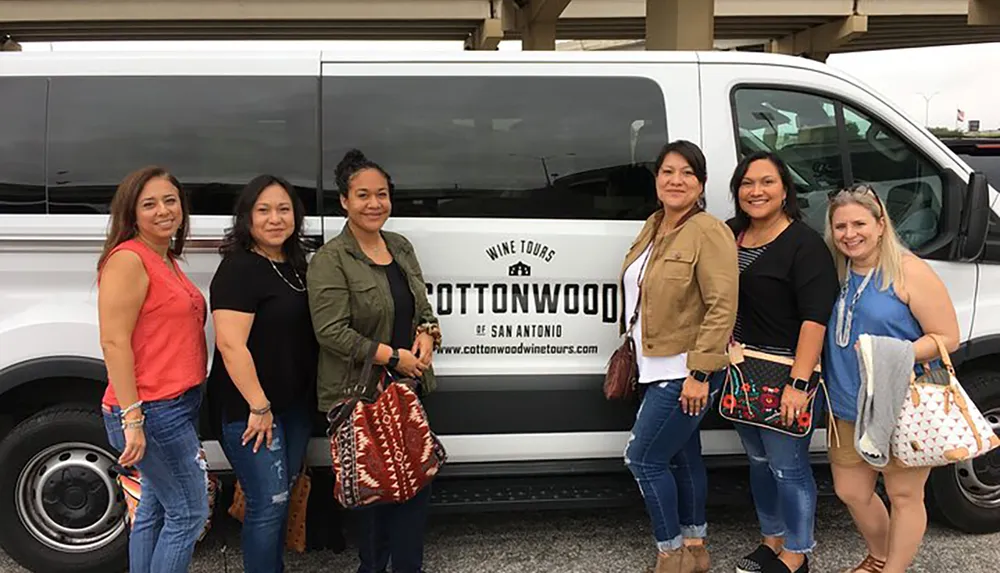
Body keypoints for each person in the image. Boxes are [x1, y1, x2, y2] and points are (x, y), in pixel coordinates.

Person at [307, 149, 441, 573]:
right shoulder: (331, 260)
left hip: (407, 393)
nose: (374, 204)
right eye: (362, 195)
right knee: (374, 497)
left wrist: (428, 334)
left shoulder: (400, 247)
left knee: (414, 491)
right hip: (359, 397)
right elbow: (330, 332)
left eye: (381, 194)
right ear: (344, 201)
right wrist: (392, 357)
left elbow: (422, 307)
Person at [822, 183, 960, 573]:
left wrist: (889, 353)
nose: (850, 234)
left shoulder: (908, 270)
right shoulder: (839, 270)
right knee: (851, 490)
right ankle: (880, 556)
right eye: (841, 226)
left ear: (881, 224)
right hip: (847, 404)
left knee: (903, 494)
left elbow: (947, 336)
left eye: (859, 224)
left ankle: (893, 569)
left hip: (901, 403)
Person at [620, 140, 739, 573]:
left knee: (643, 459)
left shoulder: (708, 230)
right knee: (684, 456)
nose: (676, 180)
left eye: (687, 173)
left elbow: (722, 304)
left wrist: (700, 374)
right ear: (656, 180)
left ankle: (669, 554)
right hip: (654, 365)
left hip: (685, 370)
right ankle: (696, 549)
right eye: (668, 171)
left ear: (702, 183)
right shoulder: (655, 225)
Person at [725, 152, 840, 573]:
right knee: (758, 462)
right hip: (739, 368)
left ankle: (797, 552)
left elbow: (815, 319)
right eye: (747, 183)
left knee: (788, 466)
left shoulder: (803, 244)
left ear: (785, 189)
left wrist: (799, 382)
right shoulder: (730, 234)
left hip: (785, 371)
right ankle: (771, 541)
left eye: (767, 182)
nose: (756, 191)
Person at [96, 166, 209, 573]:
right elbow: (113, 341)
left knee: (156, 509)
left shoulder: (164, 259)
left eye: (170, 200)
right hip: (154, 410)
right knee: (188, 513)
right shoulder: (129, 259)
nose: (163, 210)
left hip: (173, 404)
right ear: (132, 212)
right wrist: (133, 418)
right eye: (149, 204)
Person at [207, 174, 319, 573]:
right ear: (247, 217)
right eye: (264, 210)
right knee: (267, 505)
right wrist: (259, 405)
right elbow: (230, 344)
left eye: (284, 209)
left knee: (280, 498)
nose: (276, 219)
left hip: (293, 408)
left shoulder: (296, 265)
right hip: (253, 411)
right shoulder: (239, 269)